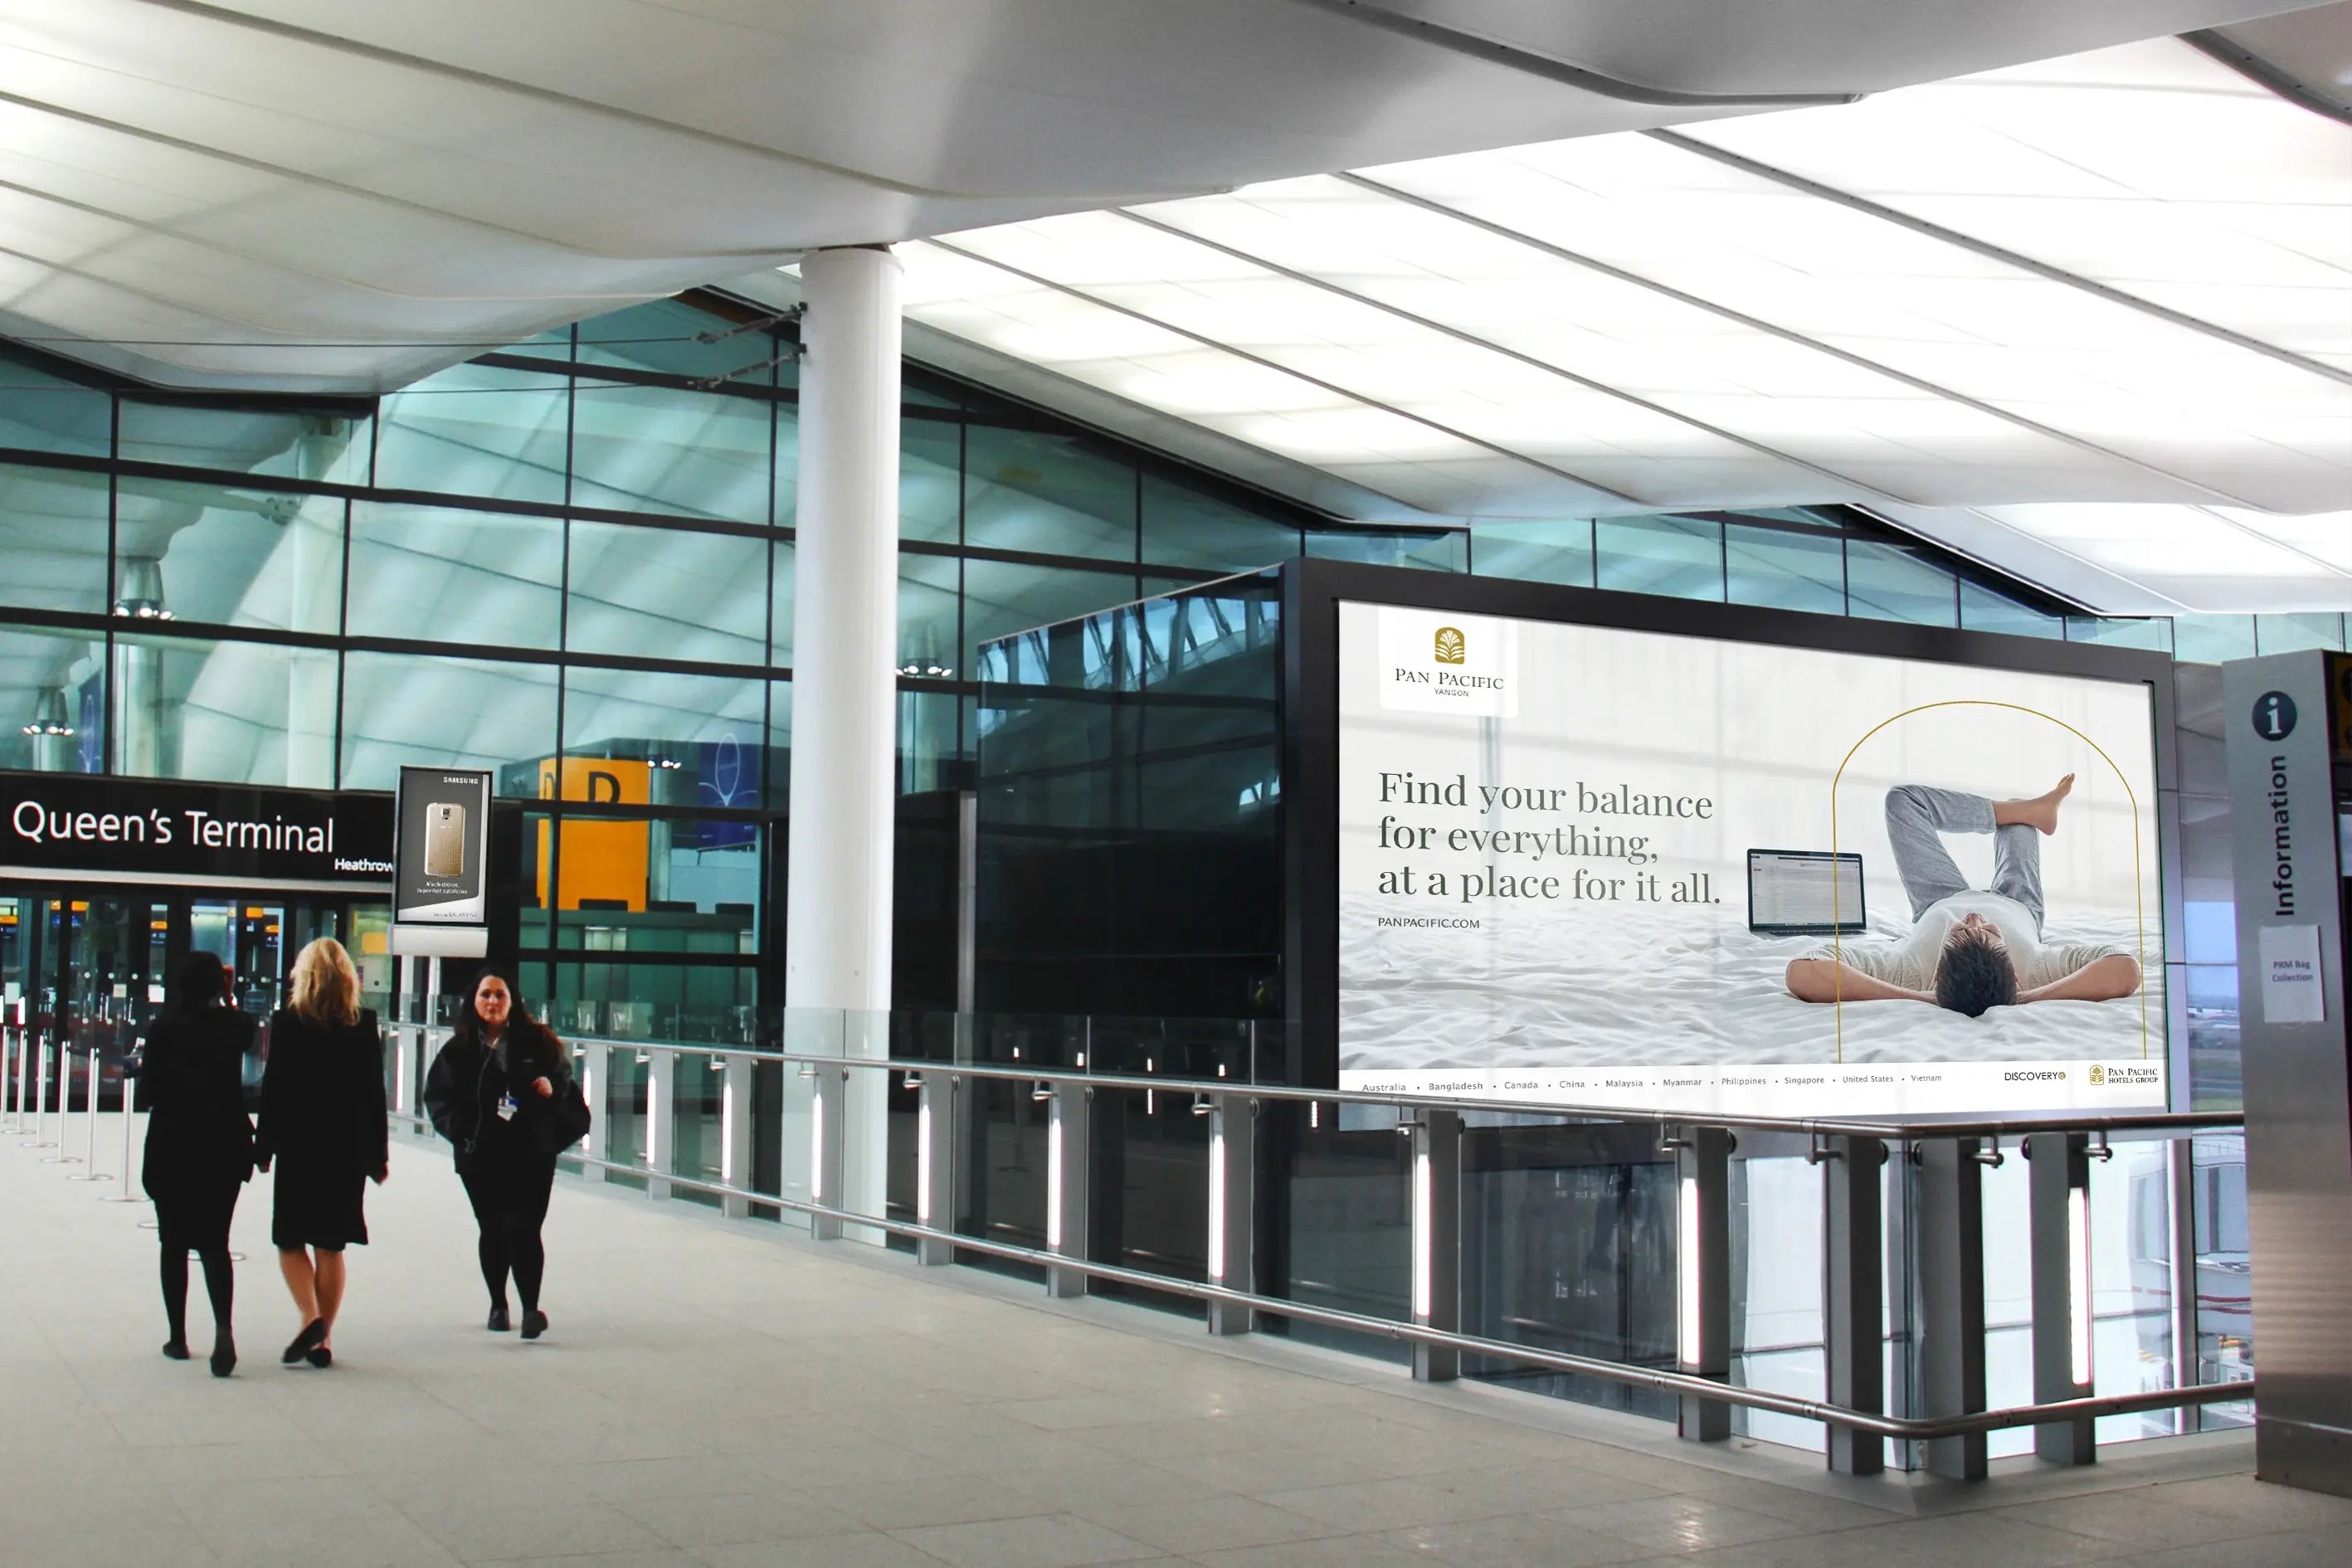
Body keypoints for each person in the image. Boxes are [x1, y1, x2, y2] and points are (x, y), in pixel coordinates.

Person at [1785, 775, 2142, 1015]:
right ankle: (2030, 811)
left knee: (1903, 800)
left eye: (1960, 932)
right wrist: (2027, 997)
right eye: (1988, 932)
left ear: (1937, 975)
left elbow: (1804, 973)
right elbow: (2124, 969)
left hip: (1936, 899)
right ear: (2015, 975)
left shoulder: (1906, 973)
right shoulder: (2036, 972)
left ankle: (2028, 810)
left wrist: (1921, 997)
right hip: (2018, 902)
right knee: (2019, 818)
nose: (1974, 919)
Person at [254, 937, 387, 1368]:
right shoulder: (363, 1024)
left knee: (290, 1241)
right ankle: (323, 1340)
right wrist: (377, 1155)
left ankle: (311, 1318)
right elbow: (373, 1095)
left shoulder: (289, 1022)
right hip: (344, 1149)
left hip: (299, 1145)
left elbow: (274, 1089)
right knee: (331, 1245)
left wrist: (265, 1145)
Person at [425, 968, 572, 1341]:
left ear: (513, 1001)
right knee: (493, 1227)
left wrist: (550, 1088)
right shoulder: (457, 1051)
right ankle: (497, 1304)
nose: (492, 1002)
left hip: (531, 1152)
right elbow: (439, 1099)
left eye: (500, 995)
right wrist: (462, 1133)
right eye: (485, 995)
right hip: (481, 1154)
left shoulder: (539, 1042)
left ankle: (530, 1309)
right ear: (473, 1002)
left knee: (524, 1228)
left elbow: (565, 1082)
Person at [134, 950, 256, 1377]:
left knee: (173, 1243)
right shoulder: (235, 1026)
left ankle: (178, 1336)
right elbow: (245, 1027)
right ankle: (224, 1328)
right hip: (224, 1144)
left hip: (174, 1145)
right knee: (215, 1244)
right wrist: (227, 995)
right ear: (217, 987)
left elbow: (146, 1091)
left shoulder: (164, 1028)